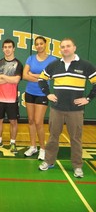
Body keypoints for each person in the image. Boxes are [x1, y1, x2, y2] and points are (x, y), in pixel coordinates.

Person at [38, 38, 96, 178]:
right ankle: (49, 161)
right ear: (60, 49)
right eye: (62, 47)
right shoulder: (54, 65)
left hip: (75, 110)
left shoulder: (85, 65)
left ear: (74, 48)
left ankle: (77, 166)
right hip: (56, 109)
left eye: (68, 46)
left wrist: (87, 98)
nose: (65, 49)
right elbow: (42, 79)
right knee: (52, 137)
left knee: (76, 139)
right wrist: (48, 94)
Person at [22, 36, 57, 160]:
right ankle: (33, 146)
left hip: (43, 93)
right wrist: (40, 77)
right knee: (30, 121)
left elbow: (51, 77)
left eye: (41, 43)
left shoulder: (53, 60)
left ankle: (43, 148)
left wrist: (33, 75)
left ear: (45, 44)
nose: (39, 46)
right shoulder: (30, 58)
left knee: (38, 122)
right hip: (29, 92)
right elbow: (24, 76)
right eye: (37, 44)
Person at [0, 39, 23, 153]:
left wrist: (3, 76)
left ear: (13, 49)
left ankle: (12, 143)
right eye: (5, 47)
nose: (7, 49)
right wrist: (8, 79)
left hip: (11, 99)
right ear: (2, 49)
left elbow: (17, 80)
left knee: (13, 122)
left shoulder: (18, 64)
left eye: (10, 47)